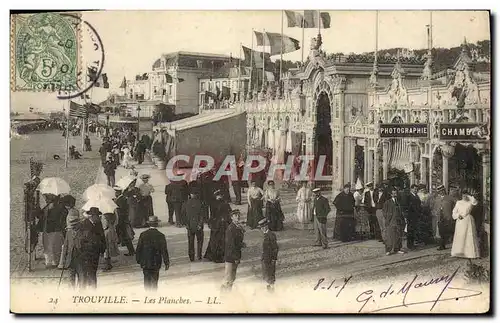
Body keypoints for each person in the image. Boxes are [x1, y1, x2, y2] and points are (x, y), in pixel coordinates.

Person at [73, 207, 106, 289]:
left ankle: (93, 291)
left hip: (94, 254)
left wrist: (103, 250)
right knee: (83, 277)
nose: (99, 217)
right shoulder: (84, 225)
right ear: (91, 216)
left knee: (92, 274)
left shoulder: (98, 224)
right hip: (84, 256)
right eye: (97, 216)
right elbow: (79, 242)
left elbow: (102, 237)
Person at [136, 216, 170, 291]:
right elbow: (164, 250)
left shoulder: (143, 234)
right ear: (157, 224)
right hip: (156, 262)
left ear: (148, 224)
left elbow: (139, 248)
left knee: (146, 280)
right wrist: (166, 262)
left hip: (145, 262)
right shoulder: (161, 235)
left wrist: (138, 259)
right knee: (154, 281)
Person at [38, 194, 67, 268]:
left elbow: (57, 218)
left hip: (54, 229)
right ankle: (50, 261)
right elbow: (40, 215)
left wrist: (47, 214)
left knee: (54, 245)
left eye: (47, 197)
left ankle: (53, 262)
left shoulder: (57, 207)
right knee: (49, 245)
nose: (46, 199)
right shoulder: (49, 206)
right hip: (48, 229)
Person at [58, 195, 80, 287]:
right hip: (70, 233)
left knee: (70, 252)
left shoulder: (72, 212)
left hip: (71, 234)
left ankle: (72, 284)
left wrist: (68, 228)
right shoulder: (72, 211)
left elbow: (73, 223)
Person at [451, 189, 480, 260]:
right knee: (460, 236)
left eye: (466, 195)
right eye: (463, 195)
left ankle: (470, 253)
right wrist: (458, 215)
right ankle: (459, 252)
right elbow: (454, 212)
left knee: (469, 236)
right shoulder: (458, 202)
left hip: (468, 220)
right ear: (461, 195)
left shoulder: (470, 202)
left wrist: (469, 196)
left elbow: (475, 202)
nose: (464, 196)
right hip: (460, 221)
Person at [204, 190, 232, 263]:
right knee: (220, 240)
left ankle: (215, 255)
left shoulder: (214, 204)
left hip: (217, 224)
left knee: (215, 240)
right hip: (221, 224)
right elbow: (229, 214)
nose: (219, 196)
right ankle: (220, 255)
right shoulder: (224, 204)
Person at [221, 210, 245, 291]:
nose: (237, 216)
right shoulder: (231, 228)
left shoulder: (237, 227)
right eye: (235, 215)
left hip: (234, 256)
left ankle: (228, 293)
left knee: (232, 277)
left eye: (238, 215)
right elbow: (231, 245)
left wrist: (241, 244)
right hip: (231, 257)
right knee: (228, 278)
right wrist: (236, 258)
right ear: (231, 217)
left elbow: (236, 241)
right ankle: (224, 296)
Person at [182, 190, 207, 262]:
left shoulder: (185, 203)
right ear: (196, 194)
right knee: (200, 241)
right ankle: (199, 255)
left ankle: (191, 257)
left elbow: (183, 215)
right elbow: (202, 215)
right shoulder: (200, 203)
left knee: (190, 241)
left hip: (189, 226)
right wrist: (200, 224)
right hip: (198, 226)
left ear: (190, 194)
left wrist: (186, 224)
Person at [383, 188, 406, 255]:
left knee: (398, 236)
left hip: (398, 221)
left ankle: (397, 249)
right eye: (393, 193)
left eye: (396, 193)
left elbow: (401, 212)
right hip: (391, 221)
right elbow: (384, 212)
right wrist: (388, 219)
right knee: (390, 236)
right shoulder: (387, 202)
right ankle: (388, 250)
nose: (395, 195)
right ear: (391, 194)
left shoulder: (398, 202)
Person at [258, 218, 279, 292]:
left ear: (266, 226)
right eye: (261, 227)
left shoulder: (271, 235)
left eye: (263, 227)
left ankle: (271, 292)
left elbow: (275, 248)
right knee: (266, 276)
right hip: (265, 259)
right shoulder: (266, 235)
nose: (262, 229)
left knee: (270, 276)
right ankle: (269, 290)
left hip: (270, 259)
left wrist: (274, 259)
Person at [114, 186, 135, 256]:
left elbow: (121, 212)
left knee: (126, 236)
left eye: (115, 192)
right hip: (123, 220)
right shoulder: (121, 199)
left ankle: (131, 251)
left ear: (118, 192)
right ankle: (130, 250)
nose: (115, 193)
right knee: (125, 236)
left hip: (122, 221)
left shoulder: (121, 200)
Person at [435, 185, 456, 250]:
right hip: (440, 217)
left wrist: (453, 214)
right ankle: (442, 245)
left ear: (444, 190)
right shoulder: (437, 198)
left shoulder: (450, 198)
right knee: (441, 232)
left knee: (450, 231)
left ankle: (455, 246)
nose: (441, 192)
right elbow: (434, 207)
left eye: (442, 191)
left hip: (448, 217)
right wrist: (435, 213)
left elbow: (456, 205)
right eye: (439, 191)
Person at [406, 184, 422, 250]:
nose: (416, 190)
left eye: (416, 189)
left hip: (416, 215)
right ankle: (409, 245)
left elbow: (419, 205)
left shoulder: (416, 196)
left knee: (414, 230)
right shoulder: (409, 196)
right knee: (410, 230)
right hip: (411, 216)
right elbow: (407, 206)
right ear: (411, 189)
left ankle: (412, 244)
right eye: (415, 189)